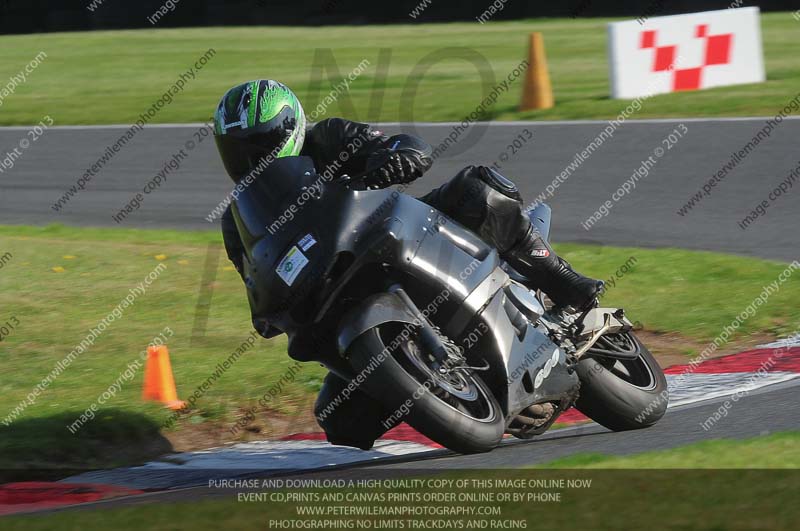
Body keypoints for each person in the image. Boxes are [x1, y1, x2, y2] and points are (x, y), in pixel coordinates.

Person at [214, 80, 602, 449]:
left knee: (478, 190)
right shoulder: (237, 218)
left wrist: (397, 159)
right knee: (342, 421)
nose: (252, 158)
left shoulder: (329, 137)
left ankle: (562, 280)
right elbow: (252, 271)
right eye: (238, 150)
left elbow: (399, 145)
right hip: (334, 285)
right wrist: (267, 308)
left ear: (289, 127)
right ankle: (440, 388)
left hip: (397, 231)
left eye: (262, 144)